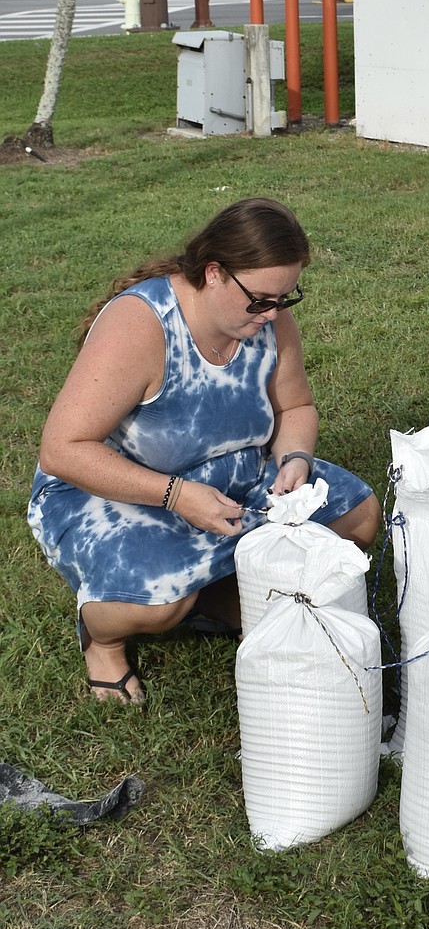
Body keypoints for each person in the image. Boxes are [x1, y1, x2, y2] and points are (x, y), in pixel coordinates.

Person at [28, 196, 381, 705]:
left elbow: (296, 407)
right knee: (157, 602)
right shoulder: (142, 324)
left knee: (358, 517)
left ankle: (211, 599)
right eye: (261, 299)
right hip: (117, 491)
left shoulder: (268, 317)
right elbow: (62, 450)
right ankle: (102, 637)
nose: (274, 313)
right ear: (214, 273)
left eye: (286, 298)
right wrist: (174, 494)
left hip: (229, 481)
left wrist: (295, 459)